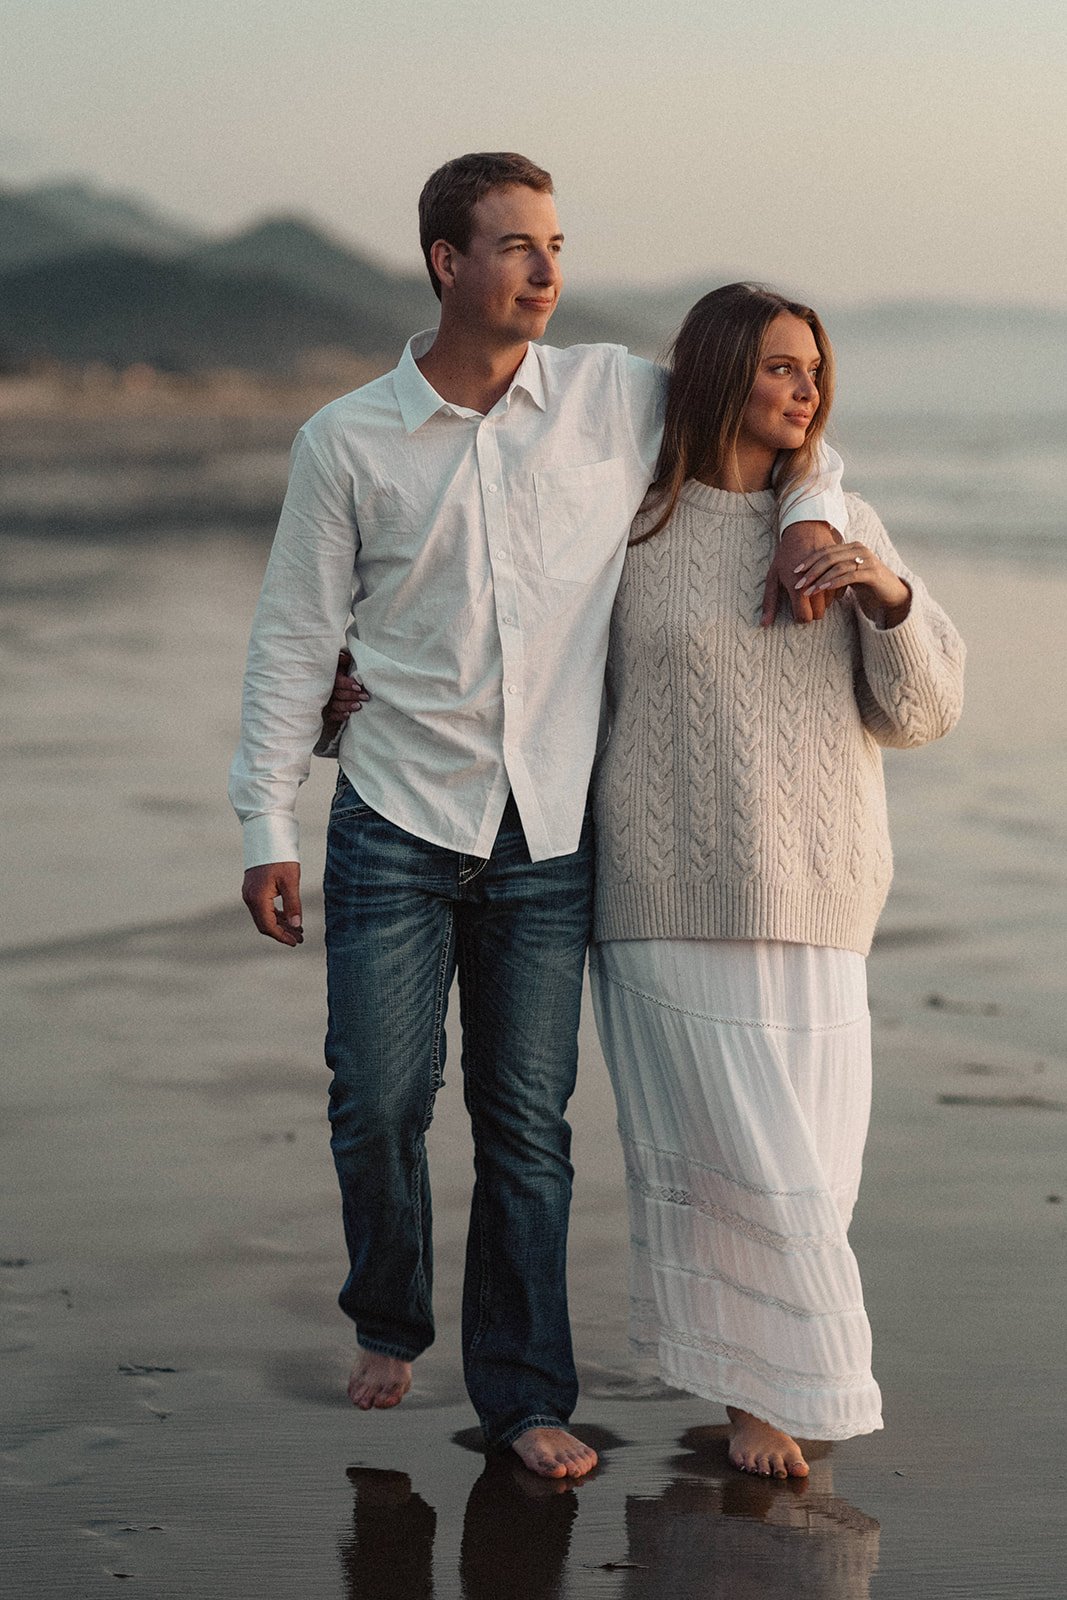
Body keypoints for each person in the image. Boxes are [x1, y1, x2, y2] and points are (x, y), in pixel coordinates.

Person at [229, 154, 848, 1481]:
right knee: (378, 1103)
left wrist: (806, 520)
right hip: (393, 818)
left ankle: (521, 1397)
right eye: (514, 245)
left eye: (554, 242)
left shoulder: (611, 397)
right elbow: (291, 639)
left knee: (527, 1133)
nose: (545, 268)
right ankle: (388, 1313)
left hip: (547, 837)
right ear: (446, 263)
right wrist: (260, 824)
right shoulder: (346, 441)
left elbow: (785, 423)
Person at [587, 282, 965, 1478]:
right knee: (719, 1159)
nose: (804, 390)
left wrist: (884, 596)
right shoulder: (626, 530)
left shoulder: (840, 519)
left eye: (814, 371)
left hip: (820, 890)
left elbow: (921, 711)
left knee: (808, 1165)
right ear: (714, 378)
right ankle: (766, 1398)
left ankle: (756, 1377)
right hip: (662, 891)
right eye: (777, 369)